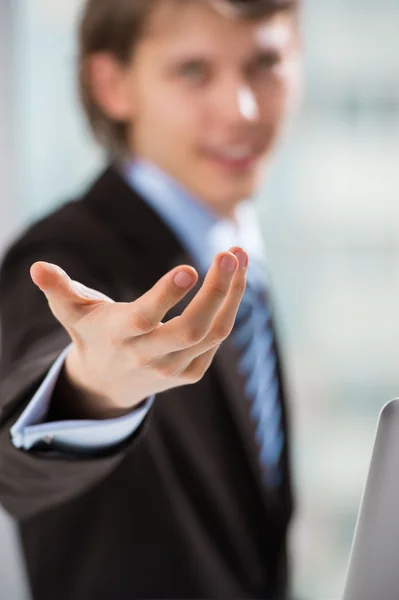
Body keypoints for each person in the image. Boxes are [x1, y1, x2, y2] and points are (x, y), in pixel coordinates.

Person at [0, 0, 301, 598]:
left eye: (265, 62)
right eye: (193, 71)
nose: (242, 110)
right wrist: (91, 389)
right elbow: (12, 468)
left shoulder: (242, 256)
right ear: (112, 84)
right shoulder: (64, 259)